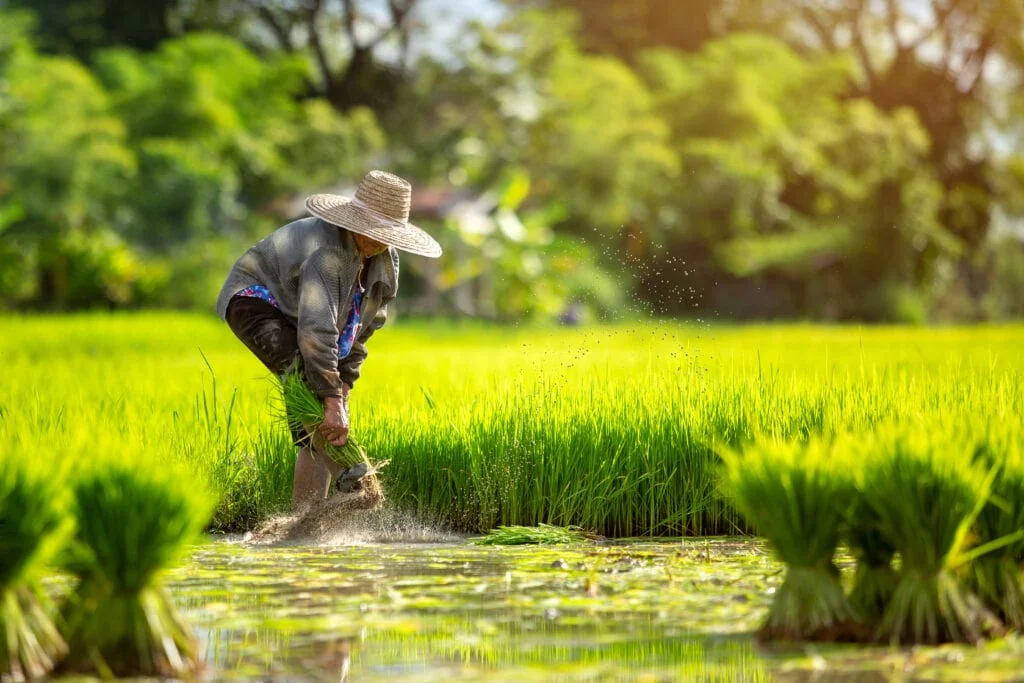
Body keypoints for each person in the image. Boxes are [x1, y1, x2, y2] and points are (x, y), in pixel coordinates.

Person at [216, 170, 442, 508]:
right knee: (310, 387)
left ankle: (306, 517)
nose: (377, 239)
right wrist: (332, 399)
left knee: (317, 408)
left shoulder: (385, 260)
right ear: (354, 223)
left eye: (385, 234)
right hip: (257, 301)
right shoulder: (327, 255)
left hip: (306, 316)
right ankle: (351, 476)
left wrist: (345, 384)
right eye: (371, 231)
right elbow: (316, 331)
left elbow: (364, 328)